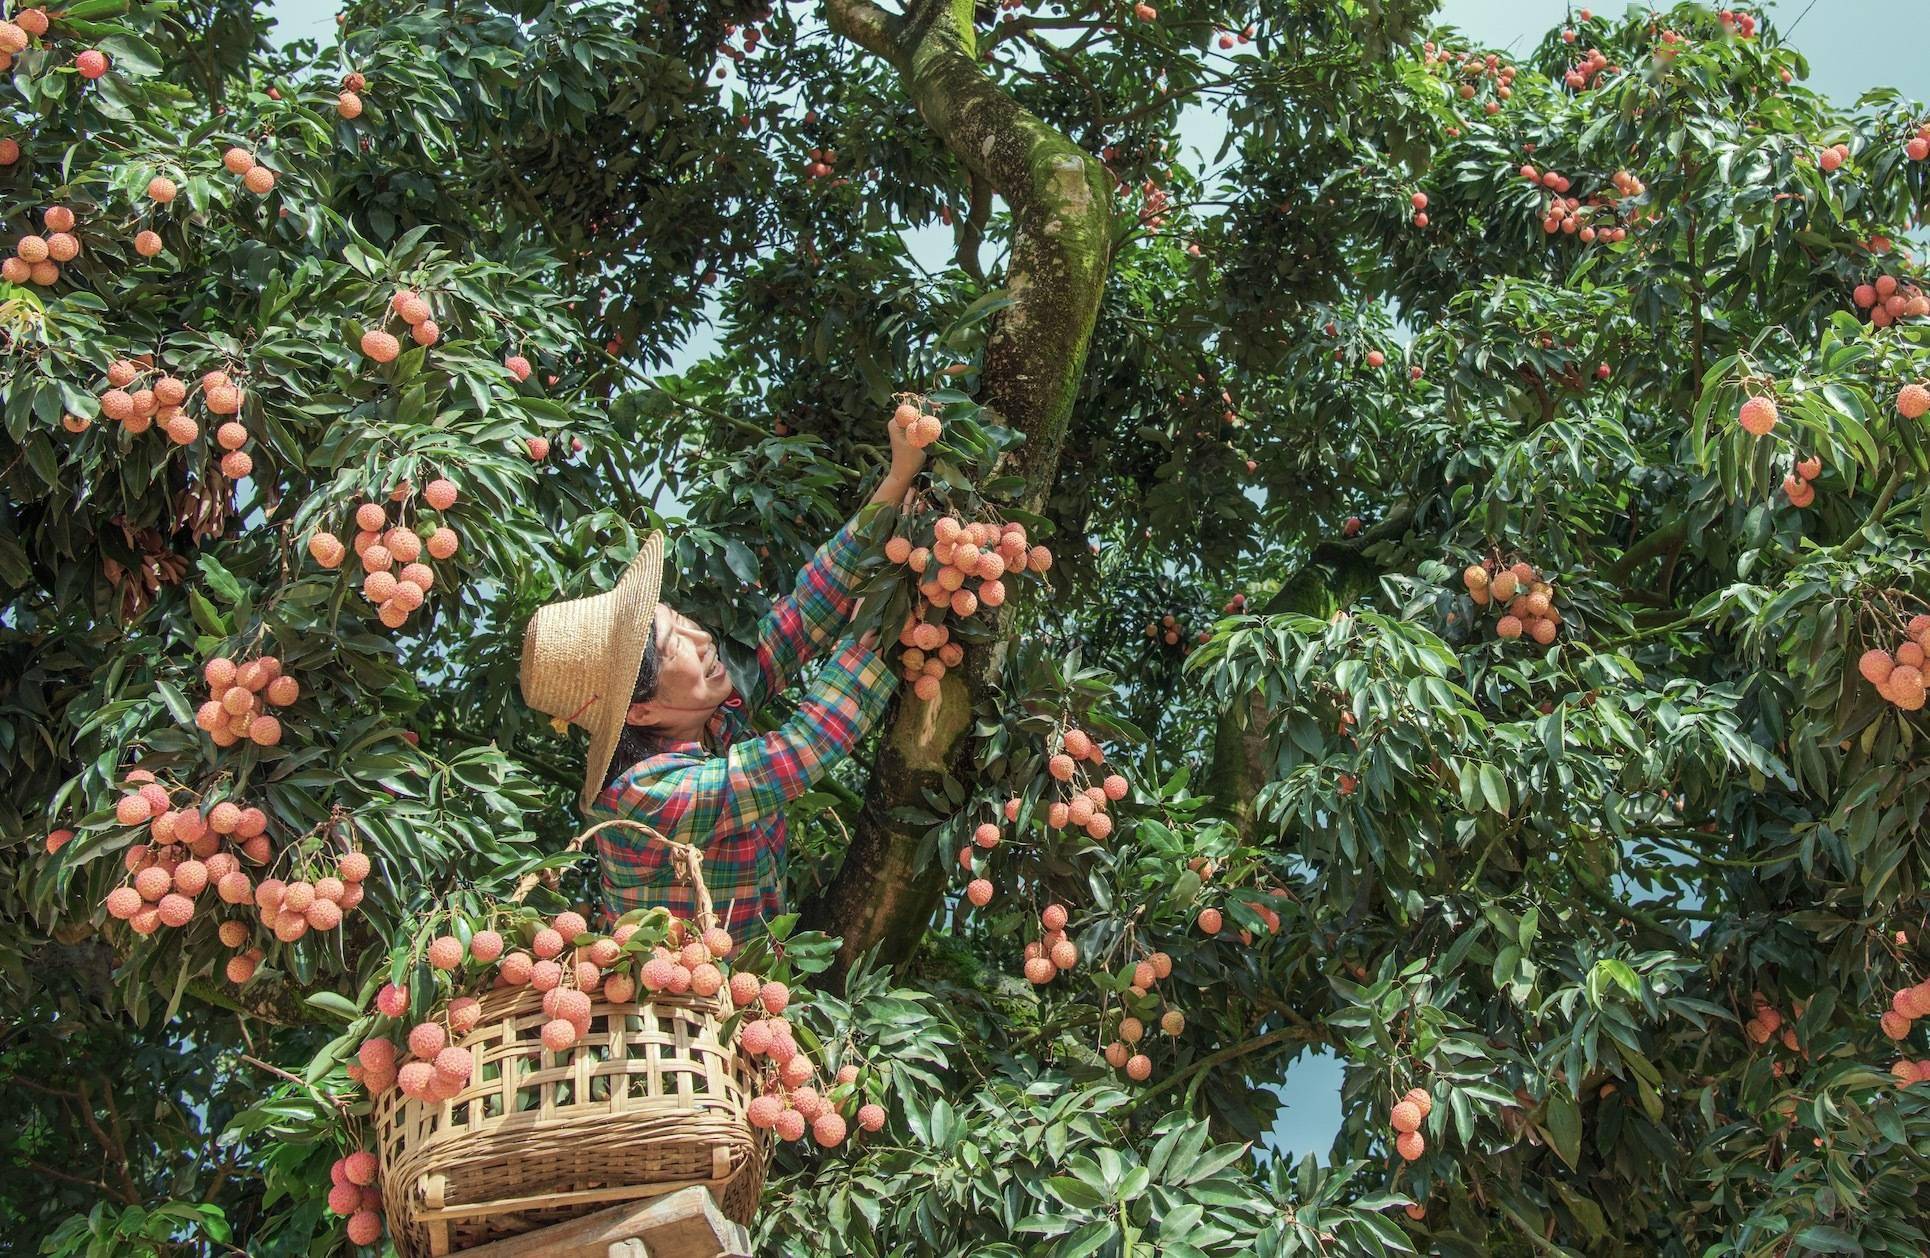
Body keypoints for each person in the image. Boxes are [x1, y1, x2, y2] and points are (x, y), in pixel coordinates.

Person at [517, 423, 927, 937]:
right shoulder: (641, 797)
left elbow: (803, 615)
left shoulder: (714, 713)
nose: (701, 638)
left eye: (681, 619)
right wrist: (879, 620)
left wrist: (898, 479)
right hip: (703, 1006)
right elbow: (804, 748)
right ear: (640, 711)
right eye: (674, 647)